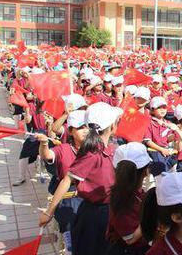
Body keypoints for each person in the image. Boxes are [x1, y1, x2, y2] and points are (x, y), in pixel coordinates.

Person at [39, 102, 124, 255]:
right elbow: (67, 180)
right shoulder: (92, 153)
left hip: (109, 210)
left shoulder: (109, 149)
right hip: (94, 215)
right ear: (111, 126)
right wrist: (49, 212)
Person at [35, 110, 88, 252]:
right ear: (70, 131)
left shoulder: (94, 149)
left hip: (89, 198)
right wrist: (44, 144)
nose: (85, 130)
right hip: (67, 197)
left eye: (87, 126)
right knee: (71, 235)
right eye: (80, 127)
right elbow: (47, 155)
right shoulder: (63, 149)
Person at [106, 142, 152, 255]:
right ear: (146, 172)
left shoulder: (128, 194)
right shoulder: (124, 199)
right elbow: (130, 238)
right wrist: (151, 215)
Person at [144, 96, 177, 176]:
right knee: (161, 175)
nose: (162, 110)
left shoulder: (168, 123)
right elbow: (148, 141)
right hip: (154, 151)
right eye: (159, 108)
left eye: (164, 107)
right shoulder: (149, 122)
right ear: (152, 110)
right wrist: (161, 149)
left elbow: (168, 139)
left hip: (166, 151)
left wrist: (177, 133)